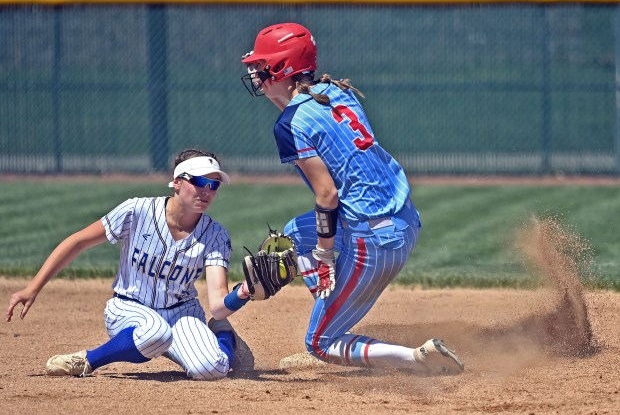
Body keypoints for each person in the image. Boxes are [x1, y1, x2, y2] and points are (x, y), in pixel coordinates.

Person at [241, 23, 464, 374]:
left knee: (318, 343)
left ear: (282, 68)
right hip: (401, 218)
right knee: (296, 233)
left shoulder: (289, 124)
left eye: (262, 65)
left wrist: (326, 254)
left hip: (375, 240)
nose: (255, 73)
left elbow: (326, 194)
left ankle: (418, 360)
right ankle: (332, 324)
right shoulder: (332, 91)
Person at [5, 149, 255, 380]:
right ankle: (87, 360)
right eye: (200, 181)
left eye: (214, 185)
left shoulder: (215, 235)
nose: (207, 191)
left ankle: (224, 335)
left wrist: (244, 292)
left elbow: (218, 306)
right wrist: (34, 287)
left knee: (212, 369)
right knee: (155, 333)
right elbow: (78, 242)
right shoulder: (137, 211)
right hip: (128, 309)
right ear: (177, 182)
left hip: (182, 314)